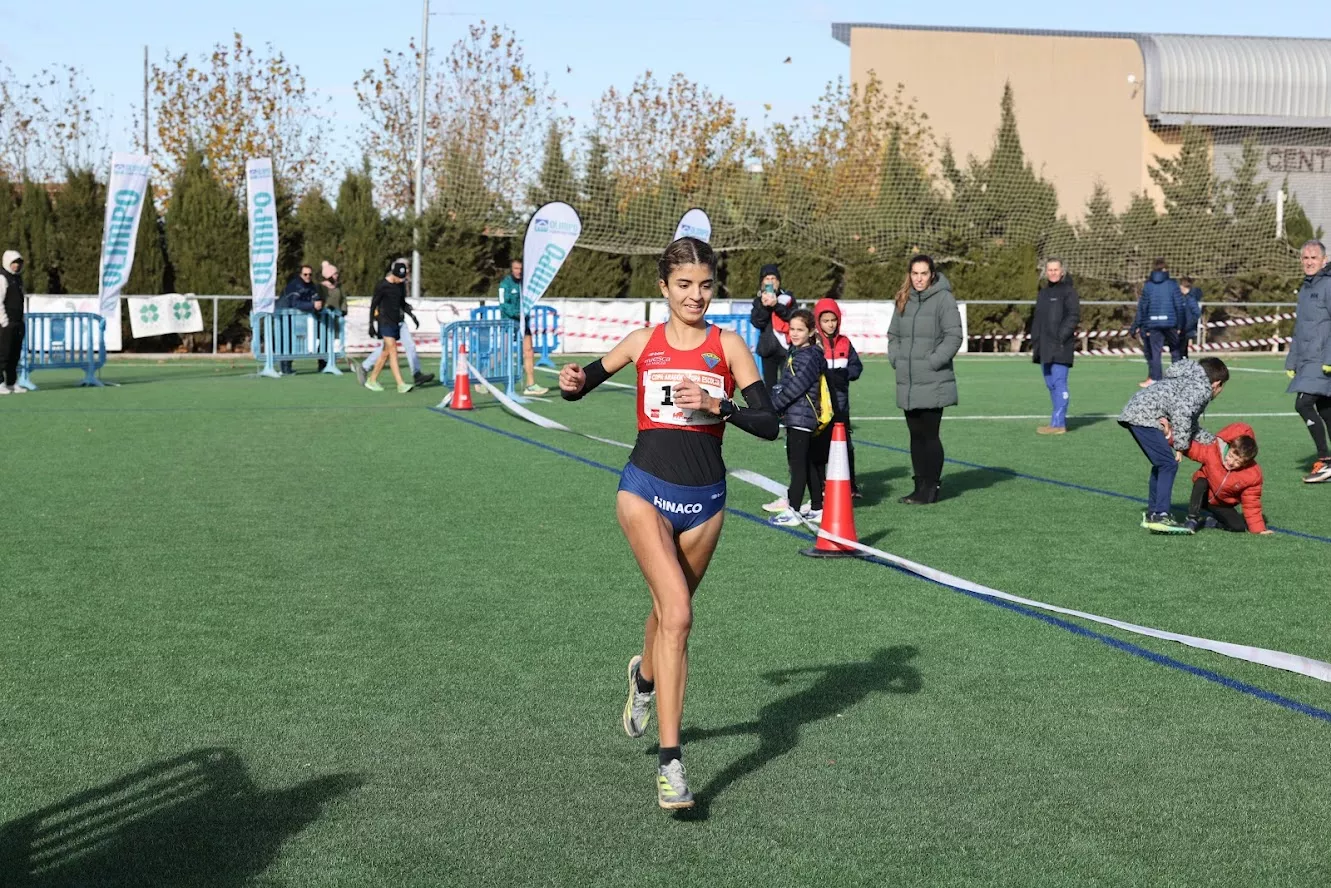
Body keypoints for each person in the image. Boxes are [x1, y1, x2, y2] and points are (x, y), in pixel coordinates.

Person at [558, 237, 778, 811]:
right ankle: (671, 765)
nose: (696, 295)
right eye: (684, 285)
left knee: (665, 611)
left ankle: (644, 681)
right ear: (663, 288)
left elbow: (769, 422)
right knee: (679, 613)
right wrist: (574, 382)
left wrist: (720, 407)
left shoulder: (728, 346)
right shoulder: (642, 342)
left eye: (705, 285)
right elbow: (584, 382)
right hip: (644, 489)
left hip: (706, 501)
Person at [1118, 356, 1228, 533]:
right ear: (1217, 384)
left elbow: (1189, 424)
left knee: (1161, 464)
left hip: (1136, 412)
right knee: (1168, 464)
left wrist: (1213, 440)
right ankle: (1160, 515)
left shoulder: (1189, 381)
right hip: (1144, 417)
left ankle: (1153, 513)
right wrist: (1180, 446)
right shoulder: (1201, 389)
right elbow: (1182, 415)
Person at [887, 254, 963, 505]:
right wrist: (897, 358)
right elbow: (893, 335)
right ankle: (919, 486)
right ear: (909, 274)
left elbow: (954, 337)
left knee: (930, 435)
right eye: (915, 273)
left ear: (932, 274)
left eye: (924, 273)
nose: (919, 278)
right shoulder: (904, 298)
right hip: (908, 381)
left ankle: (932, 487)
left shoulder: (944, 299)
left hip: (933, 380)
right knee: (915, 435)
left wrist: (933, 362)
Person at [765, 309, 829, 527]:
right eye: (792, 329)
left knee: (798, 464)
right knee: (808, 462)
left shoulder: (811, 356)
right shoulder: (797, 352)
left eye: (800, 329)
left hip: (803, 417)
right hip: (795, 415)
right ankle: (817, 507)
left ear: (811, 331)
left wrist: (773, 406)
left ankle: (793, 510)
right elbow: (784, 383)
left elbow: (796, 388)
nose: (794, 333)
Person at [1284, 240, 1331, 484]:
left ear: (1324, 260)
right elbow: (1300, 327)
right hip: (1308, 358)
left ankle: (1324, 460)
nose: (1309, 262)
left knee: (1303, 404)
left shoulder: (1329, 284)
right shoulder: (1305, 287)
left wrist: (1330, 358)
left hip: (1323, 358)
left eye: (1314, 257)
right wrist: (1292, 360)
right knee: (1325, 408)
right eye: (1305, 258)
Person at [1182, 423, 1270, 535]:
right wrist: (1171, 438)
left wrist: (1259, 529)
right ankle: (1192, 519)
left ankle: (1211, 522)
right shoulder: (1213, 451)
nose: (1232, 462)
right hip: (1204, 494)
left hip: (1221, 504)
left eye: (1238, 461)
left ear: (1246, 463)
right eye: (1231, 456)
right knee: (1201, 481)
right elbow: (1194, 449)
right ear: (1229, 446)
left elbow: (1251, 503)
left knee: (1238, 527)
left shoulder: (1252, 475)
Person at [814, 297, 863, 495]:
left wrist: (846, 374)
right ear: (818, 322)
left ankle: (850, 485)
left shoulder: (845, 343)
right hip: (821, 406)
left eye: (833, 320)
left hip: (842, 406)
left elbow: (857, 367)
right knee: (820, 446)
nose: (830, 324)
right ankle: (821, 485)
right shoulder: (814, 344)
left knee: (845, 445)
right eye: (825, 320)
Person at [1029, 258, 1080, 435]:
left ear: (1062, 271)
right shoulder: (1043, 293)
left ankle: (1059, 424)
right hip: (1044, 347)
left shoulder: (1069, 292)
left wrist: (1061, 336)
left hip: (1060, 346)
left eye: (1055, 269)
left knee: (1059, 383)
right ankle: (1055, 422)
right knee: (1051, 384)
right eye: (1049, 270)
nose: (1052, 272)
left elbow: (1073, 316)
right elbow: (1037, 319)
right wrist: (1035, 339)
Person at [1129, 258, 1188, 388]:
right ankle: (1177, 379)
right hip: (1171, 323)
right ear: (1165, 269)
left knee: (1155, 352)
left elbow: (1143, 307)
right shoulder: (1172, 284)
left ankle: (1155, 378)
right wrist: (1180, 325)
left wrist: (1135, 326)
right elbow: (1179, 305)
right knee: (1175, 351)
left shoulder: (1148, 286)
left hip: (1153, 323)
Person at [496, 258, 548, 396]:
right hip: (508, 322)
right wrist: (516, 313)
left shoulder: (526, 284)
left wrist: (525, 314)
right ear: (511, 269)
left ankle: (530, 385)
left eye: (521, 269)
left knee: (529, 351)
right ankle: (481, 379)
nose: (518, 271)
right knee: (503, 353)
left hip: (523, 322)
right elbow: (503, 304)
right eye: (516, 268)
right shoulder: (505, 284)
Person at [365, 258, 415, 394]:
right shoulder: (382, 285)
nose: (401, 280)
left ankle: (372, 380)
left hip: (395, 322)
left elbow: (402, 303)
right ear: (393, 274)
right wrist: (371, 324)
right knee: (393, 350)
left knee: (385, 353)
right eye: (399, 277)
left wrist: (412, 316)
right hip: (384, 321)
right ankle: (400, 384)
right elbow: (373, 304)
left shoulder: (400, 285)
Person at [750, 263, 797, 391]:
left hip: (786, 349)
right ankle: (772, 411)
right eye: (767, 279)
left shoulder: (787, 298)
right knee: (770, 387)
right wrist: (766, 306)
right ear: (762, 282)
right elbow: (757, 322)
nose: (770, 282)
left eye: (773, 279)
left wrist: (776, 305)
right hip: (767, 350)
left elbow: (793, 317)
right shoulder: (758, 301)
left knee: (787, 385)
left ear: (779, 281)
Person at [277, 265, 321, 375]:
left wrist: (318, 305)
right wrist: (312, 305)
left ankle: (287, 367)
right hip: (283, 315)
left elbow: (315, 299)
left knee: (293, 340)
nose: (308, 276)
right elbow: (294, 303)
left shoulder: (312, 286)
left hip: (296, 318)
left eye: (310, 274)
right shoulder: (295, 285)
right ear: (300, 274)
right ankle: (284, 368)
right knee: (286, 340)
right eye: (305, 274)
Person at [0, 250, 25, 395]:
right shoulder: (2, 278)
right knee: (3, 354)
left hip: (18, 322)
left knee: (15, 354)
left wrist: (22, 319)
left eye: (18, 263)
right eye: (14, 262)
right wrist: (4, 321)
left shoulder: (18, 279)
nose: (16, 266)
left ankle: (11, 382)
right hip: (5, 324)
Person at [318, 261, 346, 373]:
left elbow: (343, 299)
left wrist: (344, 310)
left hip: (336, 318)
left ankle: (332, 361)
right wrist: (325, 308)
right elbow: (318, 300)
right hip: (324, 319)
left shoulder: (338, 287)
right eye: (334, 274)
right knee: (323, 340)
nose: (336, 276)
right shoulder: (320, 287)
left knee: (335, 340)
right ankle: (322, 363)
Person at [1179, 276, 1203, 358]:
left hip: (1185, 329)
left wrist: (1188, 325)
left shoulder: (1190, 299)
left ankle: (1183, 367)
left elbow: (1197, 313)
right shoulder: (1182, 298)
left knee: (1182, 351)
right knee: (1181, 350)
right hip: (1180, 328)